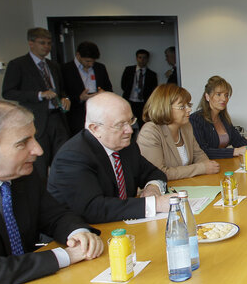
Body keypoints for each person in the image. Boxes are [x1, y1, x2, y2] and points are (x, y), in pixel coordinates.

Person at [0, 100, 103, 284]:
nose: (38, 150)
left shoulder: (23, 175)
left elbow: (55, 215)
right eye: (22, 143)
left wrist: (78, 233)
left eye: (34, 137)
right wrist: (64, 256)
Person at [47, 92, 174, 224]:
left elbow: (154, 173)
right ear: (95, 128)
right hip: (83, 235)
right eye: (120, 125)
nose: (129, 130)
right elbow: (94, 209)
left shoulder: (125, 146)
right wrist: (154, 204)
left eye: (130, 121)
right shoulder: (73, 157)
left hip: (121, 225)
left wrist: (152, 188)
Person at [2, 27, 71, 183]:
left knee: (63, 158)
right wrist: (39, 95)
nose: (46, 47)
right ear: (31, 43)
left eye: (48, 43)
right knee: (39, 161)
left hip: (58, 118)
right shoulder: (18, 64)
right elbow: (8, 92)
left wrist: (66, 98)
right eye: (42, 43)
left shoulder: (54, 66)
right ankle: (40, 196)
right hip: (36, 120)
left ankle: (62, 192)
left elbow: (62, 90)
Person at [137, 84, 219, 180]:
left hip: (186, 185)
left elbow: (199, 155)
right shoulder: (150, 132)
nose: (189, 109)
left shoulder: (186, 126)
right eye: (182, 107)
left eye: (188, 105)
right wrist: (201, 168)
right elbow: (158, 173)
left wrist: (207, 165)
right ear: (164, 108)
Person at [189, 76, 247, 159]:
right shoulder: (196, 119)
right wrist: (236, 151)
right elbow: (203, 151)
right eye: (218, 94)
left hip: (223, 163)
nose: (224, 99)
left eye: (226, 95)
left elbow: (237, 140)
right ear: (207, 96)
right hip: (208, 167)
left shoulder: (223, 118)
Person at [61, 41, 113, 135]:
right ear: (78, 55)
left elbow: (109, 88)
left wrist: (104, 93)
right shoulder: (65, 69)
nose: (91, 64)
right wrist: (80, 98)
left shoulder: (100, 67)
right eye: (88, 61)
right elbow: (62, 93)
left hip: (98, 113)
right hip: (76, 115)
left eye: (93, 61)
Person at [120, 49, 157, 128]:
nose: (142, 60)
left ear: (147, 59)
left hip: (143, 103)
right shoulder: (128, 70)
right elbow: (123, 85)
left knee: (143, 124)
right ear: (136, 58)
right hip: (129, 101)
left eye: (144, 58)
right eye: (140, 57)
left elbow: (153, 91)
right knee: (127, 124)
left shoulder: (152, 74)